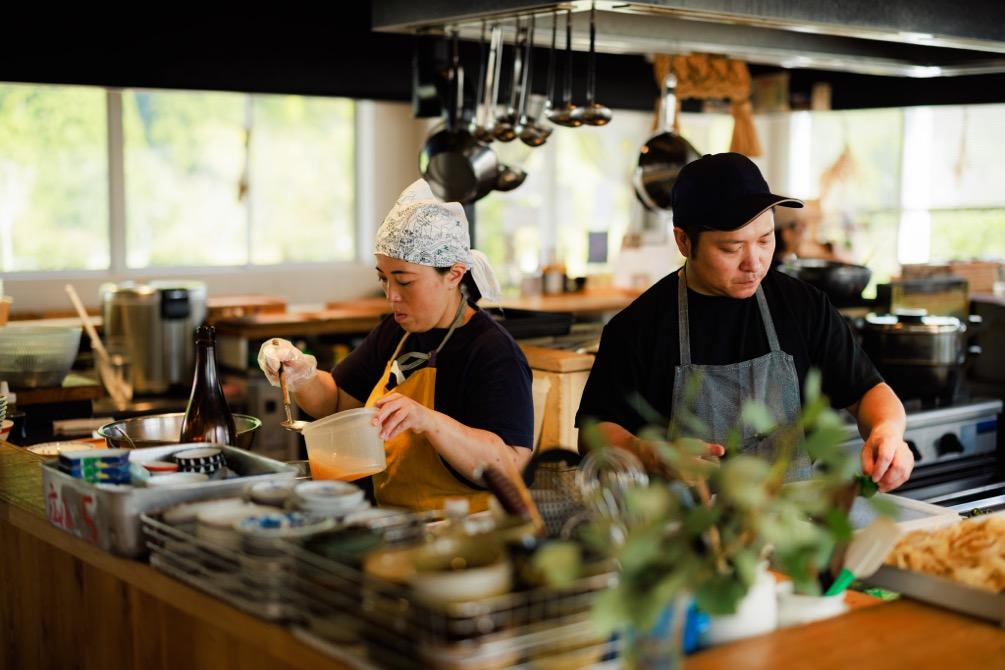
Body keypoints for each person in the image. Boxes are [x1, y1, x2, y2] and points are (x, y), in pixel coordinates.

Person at [576, 153, 913, 491]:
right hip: (681, 533)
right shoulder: (638, 326)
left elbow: (868, 391)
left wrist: (887, 433)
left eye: (765, 240)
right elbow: (594, 435)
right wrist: (645, 453)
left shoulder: (802, 305)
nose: (754, 263)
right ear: (683, 241)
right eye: (731, 248)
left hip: (791, 524)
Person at [258, 179, 534, 512]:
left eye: (404, 281)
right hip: (398, 522)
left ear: (454, 274)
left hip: (467, 533)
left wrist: (429, 421)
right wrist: (303, 375)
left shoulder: (491, 351)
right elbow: (336, 403)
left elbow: (510, 465)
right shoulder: (397, 332)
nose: (391, 296)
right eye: (383, 279)